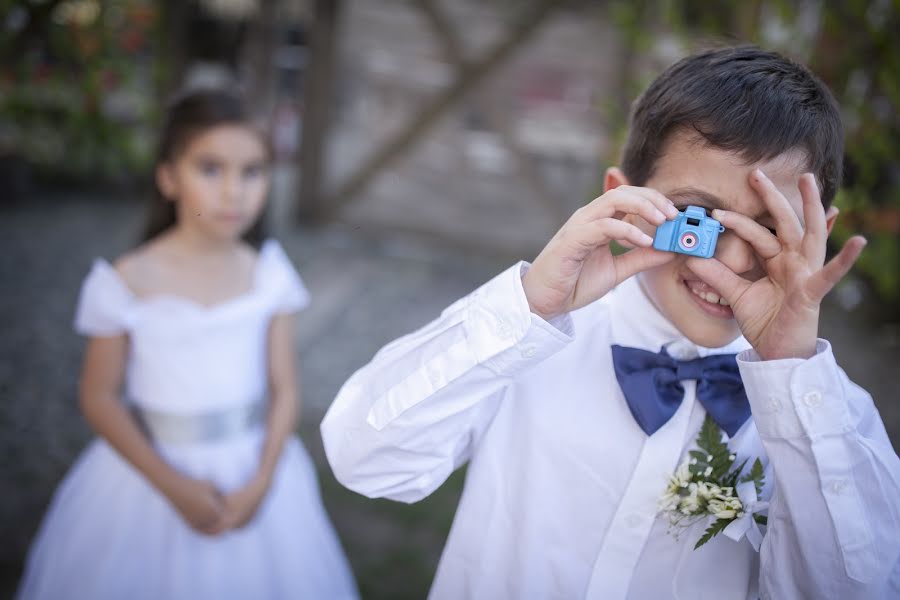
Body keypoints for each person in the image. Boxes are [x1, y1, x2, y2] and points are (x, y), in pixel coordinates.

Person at [320, 46, 900, 599]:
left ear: (817, 232)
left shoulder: (832, 422)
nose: (732, 262)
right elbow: (363, 460)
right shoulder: (523, 336)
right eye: (696, 218)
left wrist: (792, 378)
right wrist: (529, 307)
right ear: (622, 201)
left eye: (771, 229)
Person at [18, 89, 358, 600]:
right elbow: (99, 397)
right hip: (149, 478)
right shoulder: (125, 281)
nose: (234, 192)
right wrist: (172, 486)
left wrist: (264, 478)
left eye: (252, 172)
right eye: (211, 169)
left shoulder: (267, 273)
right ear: (168, 177)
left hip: (251, 470)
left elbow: (285, 389)